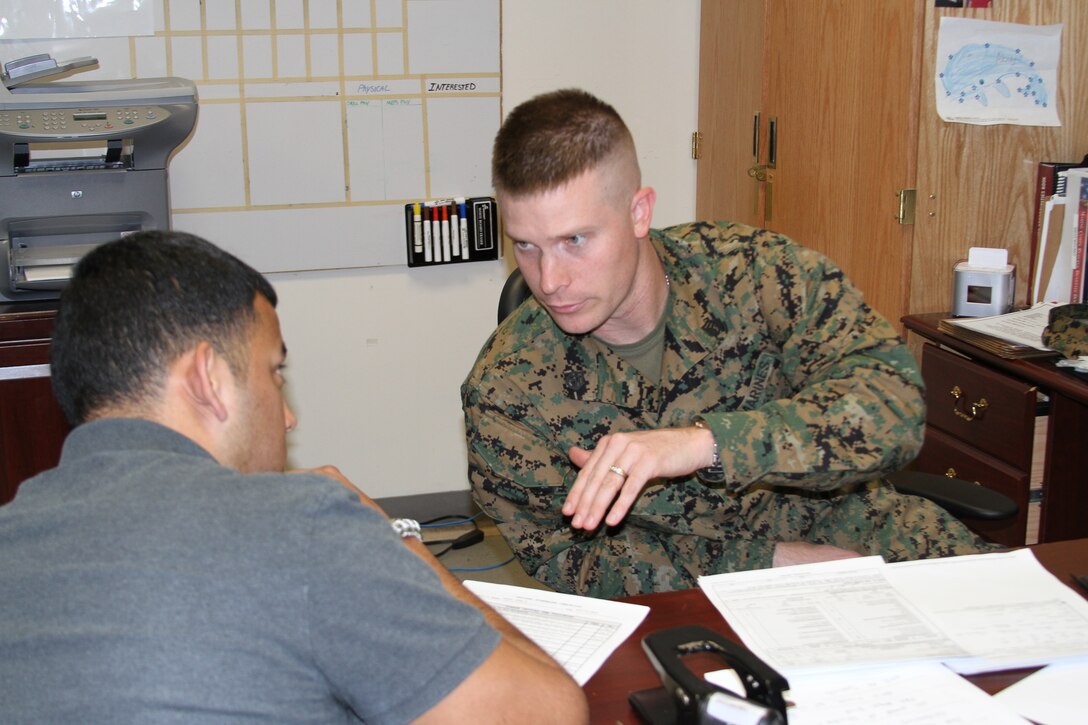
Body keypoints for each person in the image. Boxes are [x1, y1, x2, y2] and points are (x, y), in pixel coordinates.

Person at [0, 231, 588, 724]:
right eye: (274, 372)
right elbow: (550, 713)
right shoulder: (299, 524)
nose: (287, 415)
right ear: (207, 377)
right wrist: (396, 541)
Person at [461, 88, 991, 598]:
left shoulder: (757, 274)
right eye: (526, 246)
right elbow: (566, 560)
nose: (549, 279)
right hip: (701, 602)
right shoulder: (505, 390)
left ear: (639, 212)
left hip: (874, 547)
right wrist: (768, 564)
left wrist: (705, 444)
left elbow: (893, 407)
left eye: (574, 240)